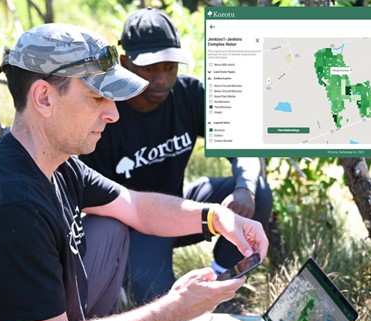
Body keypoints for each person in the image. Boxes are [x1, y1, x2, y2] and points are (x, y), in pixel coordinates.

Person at [0, 23, 268, 321]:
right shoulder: (7, 206)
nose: (113, 114)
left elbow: (135, 206)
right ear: (44, 98)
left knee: (113, 224)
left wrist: (215, 217)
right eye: (97, 98)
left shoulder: (56, 164)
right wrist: (176, 308)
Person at [80, 8, 273, 303]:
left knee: (255, 188)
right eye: (150, 68)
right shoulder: (105, 114)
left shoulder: (190, 94)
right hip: (130, 225)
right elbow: (89, 201)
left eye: (170, 67)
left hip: (179, 209)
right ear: (124, 63)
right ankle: (122, 284)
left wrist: (244, 187)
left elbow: (240, 143)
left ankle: (222, 278)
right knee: (162, 308)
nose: (161, 79)